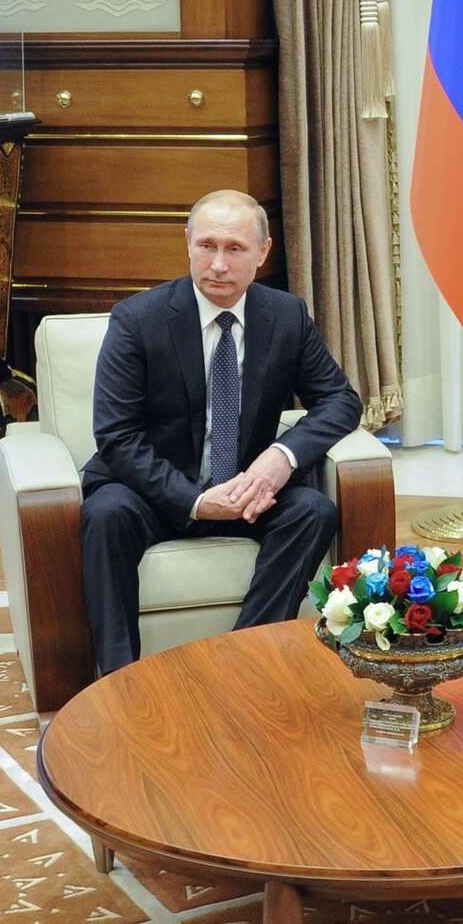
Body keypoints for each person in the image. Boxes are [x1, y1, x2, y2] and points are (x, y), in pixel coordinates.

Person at [78, 189, 361, 673]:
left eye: (234, 249)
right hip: (154, 491)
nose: (218, 265)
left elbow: (341, 400)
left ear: (263, 252)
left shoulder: (286, 316)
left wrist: (281, 458)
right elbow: (117, 436)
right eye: (206, 246)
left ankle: (242, 664)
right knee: (106, 513)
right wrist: (193, 500)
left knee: (312, 512)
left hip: (245, 490)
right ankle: (119, 679)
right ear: (187, 242)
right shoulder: (138, 319)